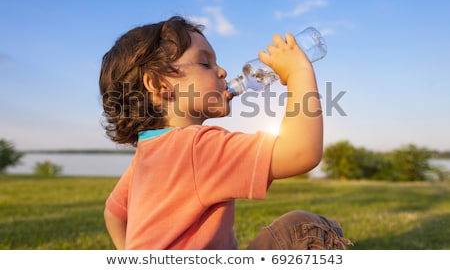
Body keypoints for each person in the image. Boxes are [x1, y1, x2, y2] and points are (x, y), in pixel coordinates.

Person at [99, 16, 351, 250]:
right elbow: (301, 152)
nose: (221, 72)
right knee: (301, 228)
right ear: (159, 85)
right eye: (205, 62)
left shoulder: (148, 154)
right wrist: (298, 72)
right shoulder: (195, 148)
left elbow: (114, 214)